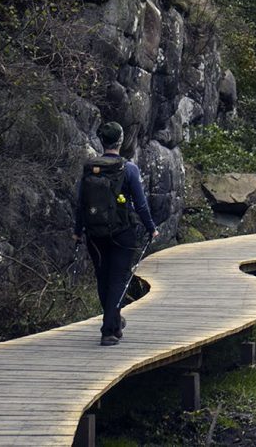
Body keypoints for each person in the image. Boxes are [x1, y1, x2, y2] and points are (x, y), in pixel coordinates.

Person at [73, 122, 159, 346]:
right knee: (118, 280)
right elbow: (140, 204)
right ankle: (109, 329)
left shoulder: (90, 168)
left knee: (103, 278)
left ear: (102, 142)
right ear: (120, 141)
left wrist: (77, 231)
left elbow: (81, 203)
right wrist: (151, 228)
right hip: (122, 233)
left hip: (94, 233)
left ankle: (114, 319)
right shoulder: (128, 169)